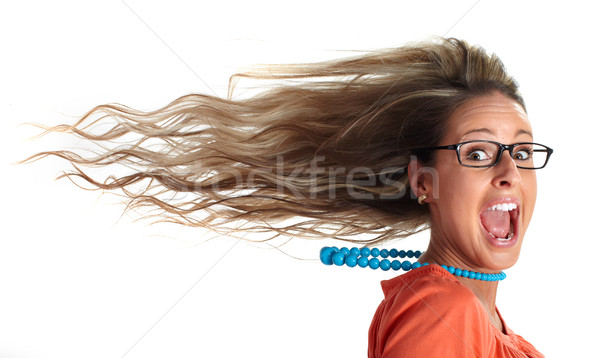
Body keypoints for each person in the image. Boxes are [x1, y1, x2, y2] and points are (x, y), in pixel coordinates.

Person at [26, 38, 548, 357]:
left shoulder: (471, 314)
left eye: (523, 153)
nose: (510, 172)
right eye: (478, 154)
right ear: (423, 182)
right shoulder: (444, 309)